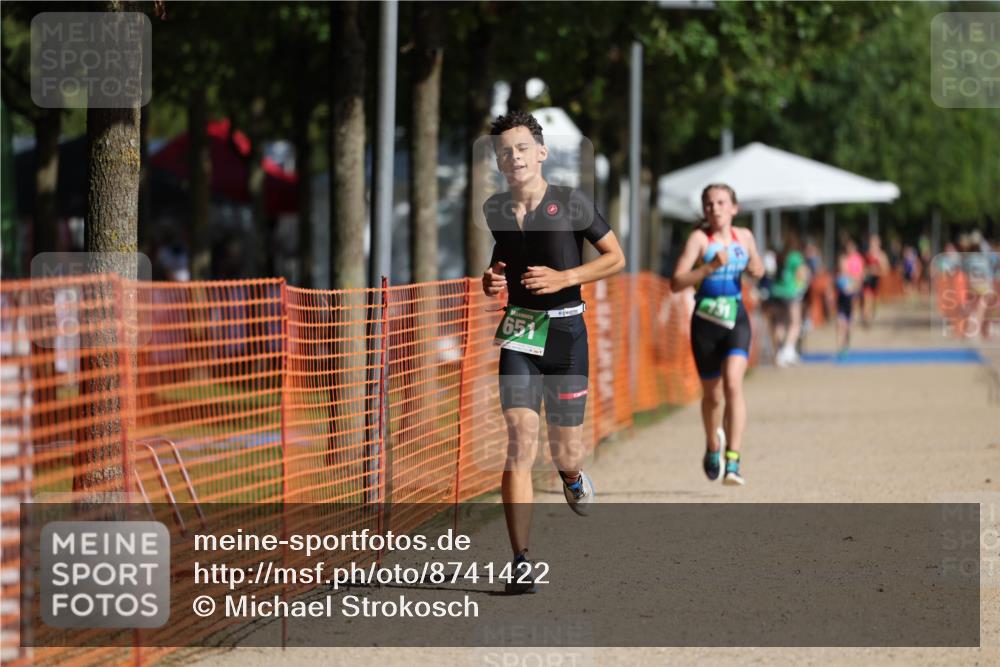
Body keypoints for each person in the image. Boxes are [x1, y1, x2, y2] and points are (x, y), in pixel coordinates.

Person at [480, 110, 625, 594]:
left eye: (522, 148)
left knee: (566, 450)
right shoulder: (495, 209)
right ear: (498, 160)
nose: (514, 156)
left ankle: (572, 476)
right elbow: (501, 260)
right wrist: (490, 277)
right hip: (521, 329)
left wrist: (564, 278)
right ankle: (520, 560)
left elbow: (615, 258)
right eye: (505, 151)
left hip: (566, 333)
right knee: (520, 440)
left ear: (541, 152)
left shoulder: (571, 202)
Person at [671, 184, 764, 486]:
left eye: (721, 203)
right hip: (705, 323)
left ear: (734, 208)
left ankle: (733, 461)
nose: (715, 208)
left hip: (735, 318)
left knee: (734, 385)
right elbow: (676, 281)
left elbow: (758, 267)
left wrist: (755, 267)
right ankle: (713, 442)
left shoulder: (745, 237)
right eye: (709, 204)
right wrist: (709, 267)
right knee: (712, 396)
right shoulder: (700, 239)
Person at [768, 230, 810, 367]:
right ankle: (788, 349)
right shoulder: (796, 257)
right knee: (795, 323)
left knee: (779, 323)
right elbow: (802, 274)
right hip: (790, 292)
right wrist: (803, 286)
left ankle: (778, 353)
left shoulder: (779, 255)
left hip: (776, 292)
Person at [835, 238, 864, 358]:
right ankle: (840, 347)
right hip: (842, 296)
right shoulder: (842, 259)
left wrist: (854, 286)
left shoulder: (858, 260)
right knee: (840, 323)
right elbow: (840, 275)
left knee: (849, 323)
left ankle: (846, 344)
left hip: (853, 295)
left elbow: (859, 277)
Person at [861, 234, 889, 327]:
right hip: (867, 281)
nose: (873, 245)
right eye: (871, 243)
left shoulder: (882, 255)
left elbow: (886, 271)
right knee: (867, 300)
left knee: (874, 302)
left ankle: (870, 315)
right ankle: (866, 319)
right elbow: (863, 268)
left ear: (879, 243)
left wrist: (876, 271)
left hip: (877, 282)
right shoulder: (867, 254)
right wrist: (867, 271)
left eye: (875, 243)